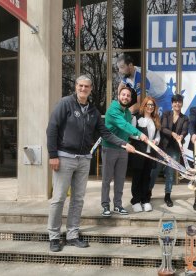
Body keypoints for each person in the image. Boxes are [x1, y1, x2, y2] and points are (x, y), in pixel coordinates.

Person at [46, 75, 135, 252]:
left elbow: (106, 133)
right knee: (58, 199)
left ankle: (72, 234)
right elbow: (52, 128)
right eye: (80, 85)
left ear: (91, 89)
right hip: (64, 157)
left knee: (78, 199)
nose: (83, 89)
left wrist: (124, 144)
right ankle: (54, 236)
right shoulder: (65, 104)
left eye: (86, 86)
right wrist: (53, 154)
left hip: (84, 159)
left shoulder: (93, 111)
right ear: (76, 86)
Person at [101, 86, 147, 217]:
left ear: (130, 99)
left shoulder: (127, 113)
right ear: (118, 96)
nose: (125, 97)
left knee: (120, 179)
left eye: (128, 96)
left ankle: (118, 205)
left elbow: (128, 131)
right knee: (106, 179)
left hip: (123, 149)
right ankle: (105, 205)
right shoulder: (112, 110)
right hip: (109, 148)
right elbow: (124, 125)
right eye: (123, 95)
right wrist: (139, 134)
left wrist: (140, 137)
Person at [149, 94, 189, 207]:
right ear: (172, 104)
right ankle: (148, 191)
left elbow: (185, 131)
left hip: (175, 149)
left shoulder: (185, 118)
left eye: (179, 102)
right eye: (175, 102)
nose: (177, 104)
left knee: (170, 173)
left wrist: (181, 136)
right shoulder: (166, 114)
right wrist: (173, 133)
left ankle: (167, 195)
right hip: (163, 147)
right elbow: (162, 128)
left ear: (181, 103)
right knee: (155, 170)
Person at [130, 96, 161, 212]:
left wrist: (155, 141)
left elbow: (158, 136)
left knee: (147, 177)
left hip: (150, 154)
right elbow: (130, 133)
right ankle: (136, 201)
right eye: (148, 104)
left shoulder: (156, 119)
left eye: (152, 105)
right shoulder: (136, 118)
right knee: (137, 177)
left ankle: (146, 200)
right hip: (138, 153)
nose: (150, 107)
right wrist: (140, 137)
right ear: (144, 105)